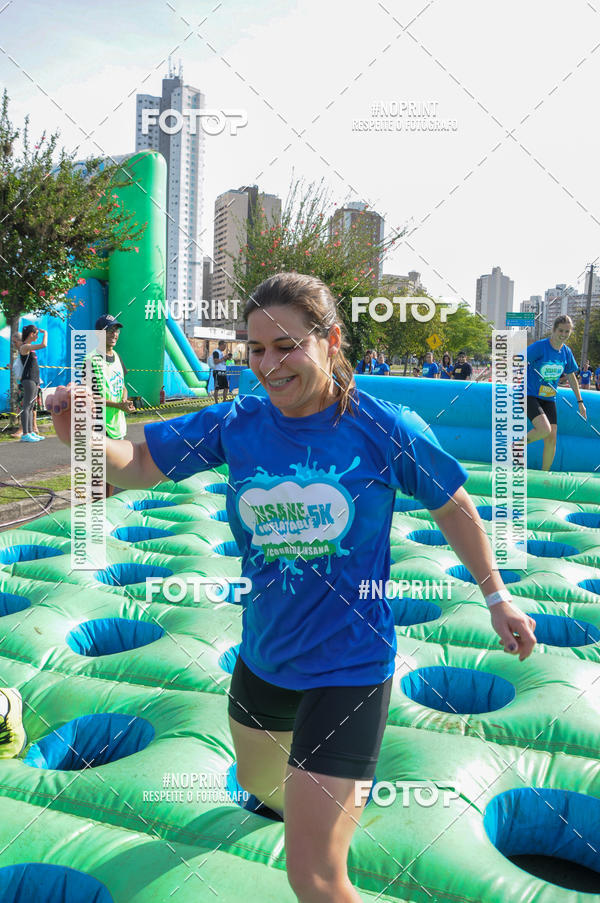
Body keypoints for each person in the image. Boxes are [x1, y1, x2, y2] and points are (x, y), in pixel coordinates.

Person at [46, 272, 536, 903]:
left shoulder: (383, 428)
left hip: (350, 669)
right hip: (266, 658)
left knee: (314, 876)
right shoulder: (239, 421)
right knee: (258, 783)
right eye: (255, 350)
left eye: (286, 347)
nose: (269, 366)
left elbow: (453, 504)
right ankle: (316, 799)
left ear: (330, 340)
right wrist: (80, 431)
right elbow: (136, 465)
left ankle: (330, 803)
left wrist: (497, 595)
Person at [527, 315, 586, 472]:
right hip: (529, 394)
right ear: (553, 330)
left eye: (567, 331)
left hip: (549, 397)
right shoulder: (540, 347)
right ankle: (516, 446)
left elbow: (571, 376)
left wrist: (580, 402)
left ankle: (544, 474)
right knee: (544, 429)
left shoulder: (566, 352)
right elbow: (517, 360)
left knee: (551, 438)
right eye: (561, 330)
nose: (564, 334)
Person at [85, 315, 135, 497]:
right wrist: (118, 405)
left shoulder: (117, 357)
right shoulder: (90, 360)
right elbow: (90, 397)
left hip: (117, 425)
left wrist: (124, 400)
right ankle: (97, 513)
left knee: (113, 472)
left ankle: (108, 511)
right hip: (99, 424)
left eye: (116, 330)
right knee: (100, 474)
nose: (114, 334)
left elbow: (122, 385)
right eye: (110, 330)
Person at [18, 325, 47, 442]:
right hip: (28, 379)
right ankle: (25, 434)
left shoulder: (31, 348)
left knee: (31, 407)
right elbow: (44, 345)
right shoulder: (25, 347)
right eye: (36, 334)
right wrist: (45, 333)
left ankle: (30, 432)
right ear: (31, 334)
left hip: (34, 380)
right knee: (26, 406)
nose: (37, 336)